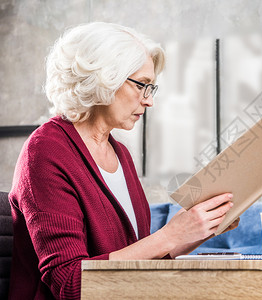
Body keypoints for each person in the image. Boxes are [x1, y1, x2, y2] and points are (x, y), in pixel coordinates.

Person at [8, 22, 239, 300]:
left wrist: (197, 231)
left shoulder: (121, 154)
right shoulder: (45, 151)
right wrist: (169, 235)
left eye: (151, 88)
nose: (149, 101)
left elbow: (133, 263)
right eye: (142, 85)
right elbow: (70, 283)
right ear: (104, 78)